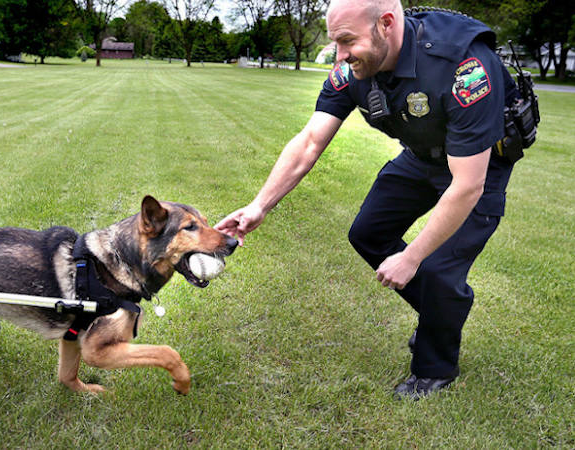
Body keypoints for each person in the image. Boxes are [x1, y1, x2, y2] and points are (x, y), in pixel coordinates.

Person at [215, 0, 519, 399]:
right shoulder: (352, 68)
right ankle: (443, 312)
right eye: (335, 42)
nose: (339, 56)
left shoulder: (462, 66)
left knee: (441, 268)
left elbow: (466, 186)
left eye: (347, 41)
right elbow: (309, 142)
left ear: (386, 24)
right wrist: (259, 205)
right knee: (368, 233)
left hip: (478, 166)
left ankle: (435, 368)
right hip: (421, 154)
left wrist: (412, 259)